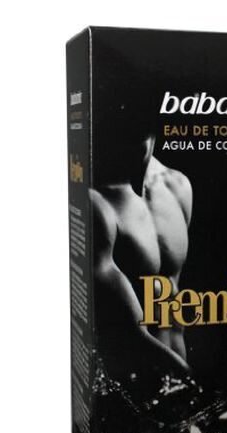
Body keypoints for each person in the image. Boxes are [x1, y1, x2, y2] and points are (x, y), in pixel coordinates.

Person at [89, 134, 192, 383]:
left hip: (177, 383)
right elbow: (131, 334)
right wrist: (194, 386)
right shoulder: (95, 199)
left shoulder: (177, 185)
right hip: (129, 390)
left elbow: (173, 299)